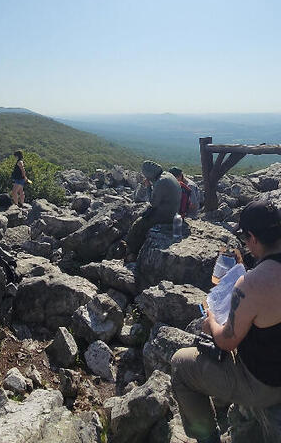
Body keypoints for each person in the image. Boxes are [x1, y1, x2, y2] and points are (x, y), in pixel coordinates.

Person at [171, 200, 281, 443]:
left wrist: (210, 315)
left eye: (245, 238)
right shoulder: (258, 277)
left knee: (180, 365)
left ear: (252, 237)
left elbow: (225, 341)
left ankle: (208, 438)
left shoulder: (252, 284)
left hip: (266, 385)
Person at [124, 160, 182, 261]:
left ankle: (130, 251)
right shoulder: (167, 175)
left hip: (166, 214)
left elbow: (153, 203)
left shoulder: (160, 182)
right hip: (172, 210)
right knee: (143, 216)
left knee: (138, 224)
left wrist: (148, 187)